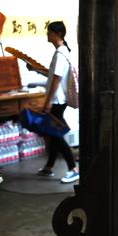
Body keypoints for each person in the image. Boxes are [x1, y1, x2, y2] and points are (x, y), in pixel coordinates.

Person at [36, 21, 78, 184]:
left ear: (58, 34)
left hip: (57, 100)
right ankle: (49, 166)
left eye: (49, 32)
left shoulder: (61, 53)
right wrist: (36, 69)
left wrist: (48, 101)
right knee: (53, 132)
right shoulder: (63, 51)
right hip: (59, 99)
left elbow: (57, 78)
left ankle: (73, 168)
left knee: (55, 134)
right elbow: (53, 74)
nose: (47, 35)